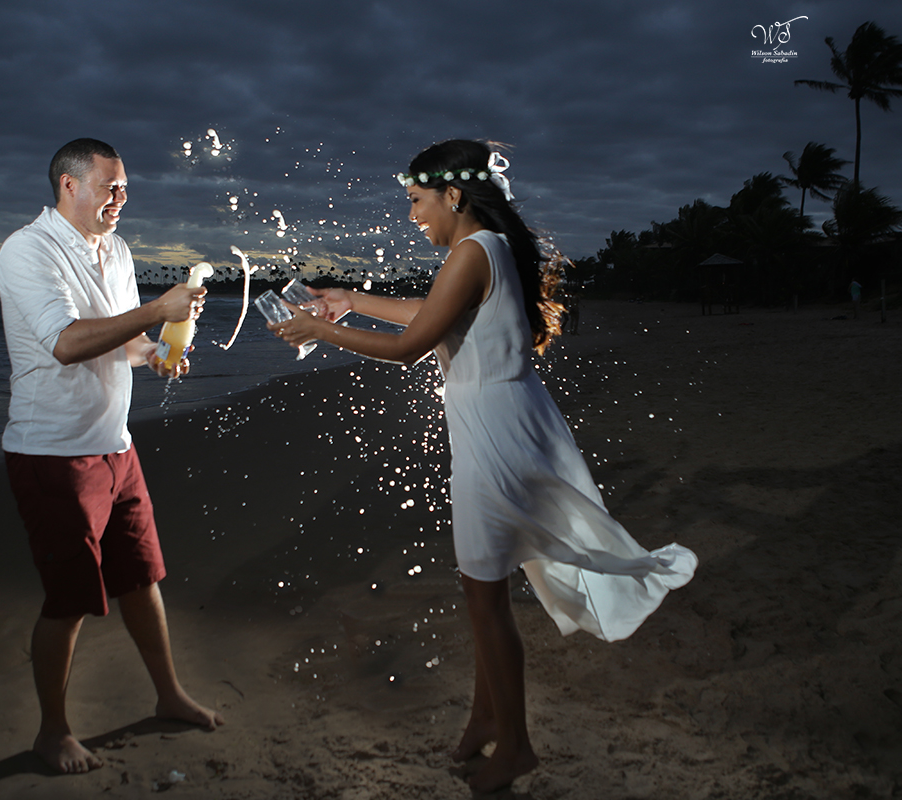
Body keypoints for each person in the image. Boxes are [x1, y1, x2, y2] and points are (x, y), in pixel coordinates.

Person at [271, 140, 697, 792]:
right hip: (504, 429)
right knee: (484, 592)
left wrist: (319, 331)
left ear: (455, 197)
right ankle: (482, 719)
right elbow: (431, 316)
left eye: (417, 201)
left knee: (485, 597)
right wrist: (349, 300)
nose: (412, 214)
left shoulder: (474, 252)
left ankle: (516, 744)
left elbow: (413, 346)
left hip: (497, 440)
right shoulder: (485, 252)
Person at [0, 138, 223, 774]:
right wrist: (156, 309)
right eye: (109, 186)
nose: (121, 197)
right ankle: (53, 731)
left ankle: (170, 694)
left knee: (141, 578)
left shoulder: (117, 249)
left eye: (125, 187)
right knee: (69, 599)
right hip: (54, 452)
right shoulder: (27, 250)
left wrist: (154, 351)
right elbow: (67, 344)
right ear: (69, 186)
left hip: (116, 446)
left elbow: (117, 339)